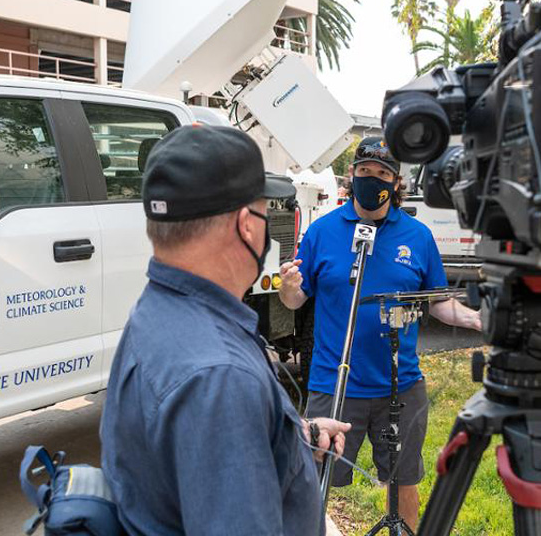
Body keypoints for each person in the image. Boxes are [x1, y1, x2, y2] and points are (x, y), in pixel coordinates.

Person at [100, 125, 351, 536]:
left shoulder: (158, 313)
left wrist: (294, 437)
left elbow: (192, 448)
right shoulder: (219, 375)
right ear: (246, 226)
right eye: (266, 211)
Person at [278, 136, 482, 530]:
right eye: (365, 171)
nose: (373, 180)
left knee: (404, 481)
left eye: (382, 173)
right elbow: (296, 300)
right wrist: (288, 288)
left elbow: (437, 301)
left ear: (396, 182)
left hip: (399, 385)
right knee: (312, 483)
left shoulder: (417, 237)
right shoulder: (322, 232)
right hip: (333, 385)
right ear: (352, 176)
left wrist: (476, 319)